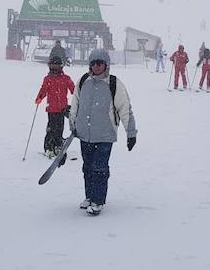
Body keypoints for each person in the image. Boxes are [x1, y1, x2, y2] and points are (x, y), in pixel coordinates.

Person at [68, 49, 137, 216]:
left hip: (105, 135)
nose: (96, 66)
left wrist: (131, 133)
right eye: (93, 63)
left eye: (99, 63)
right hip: (85, 133)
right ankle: (89, 196)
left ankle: (98, 200)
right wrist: (73, 123)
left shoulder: (114, 83)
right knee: (88, 168)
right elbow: (76, 104)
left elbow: (125, 109)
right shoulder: (84, 81)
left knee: (100, 168)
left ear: (106, 65)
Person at [35, 56, 75, 158]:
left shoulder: (66, 79)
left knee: (60, 128)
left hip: (62, 108)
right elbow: (43, 90)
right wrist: (40, 97)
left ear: (60, 66)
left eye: (56, 65)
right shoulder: (48, 79)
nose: (53, 67)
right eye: (52, 65)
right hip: (52, 108)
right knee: (51, 128)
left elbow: (73, 89)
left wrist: (78, 95)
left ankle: (58, 144)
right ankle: (48, 147)